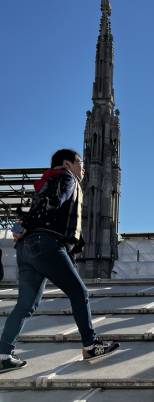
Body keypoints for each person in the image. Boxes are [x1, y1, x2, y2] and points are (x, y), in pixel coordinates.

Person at [0, 149, 120, 372]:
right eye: (80, 163)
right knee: (79, 292)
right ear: (67, 163)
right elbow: (51, 202)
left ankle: (3, 354)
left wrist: (21, 227)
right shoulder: (65, 177)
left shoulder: (49, 180)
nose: (82, 168)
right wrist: (26, 225)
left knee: (25, 305)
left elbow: (39, 206)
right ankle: (91, 345)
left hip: (26, 248)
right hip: (45, 244)